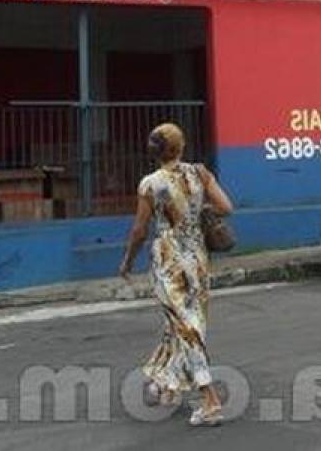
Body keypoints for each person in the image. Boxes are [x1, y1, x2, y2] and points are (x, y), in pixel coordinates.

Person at [119, 122, 234, 426]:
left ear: (154, 152)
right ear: (181, 147)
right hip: (197, 257)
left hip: (168, 260)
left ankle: (209, 400)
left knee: (184, 325)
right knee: (184, 322)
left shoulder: (151, 184)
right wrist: (198, 212)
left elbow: (140, 230)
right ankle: (168, 384)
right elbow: (226, 207)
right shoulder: (200, 173)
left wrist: (127, 261)